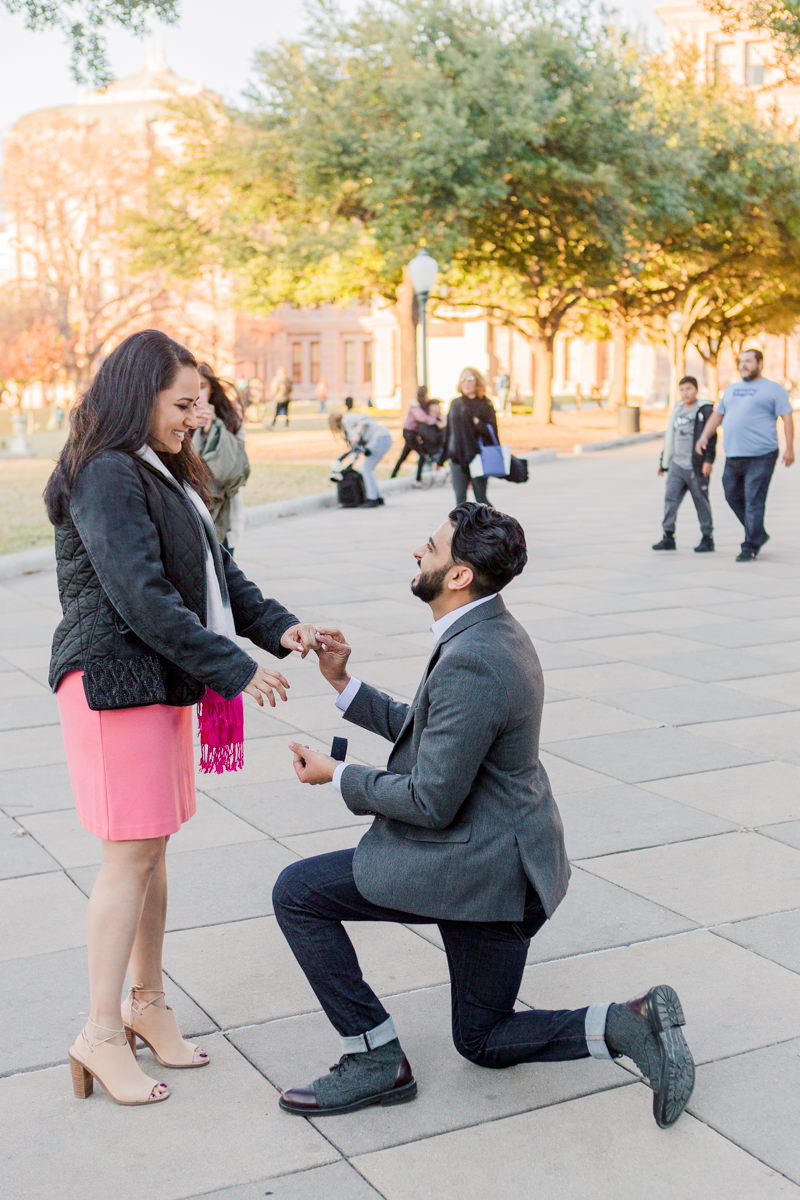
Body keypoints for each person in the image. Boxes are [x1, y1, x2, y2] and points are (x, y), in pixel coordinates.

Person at [273, 503, 695, 1129]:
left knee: (299, 892)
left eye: (430, 547)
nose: (418, 553)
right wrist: (344, 684)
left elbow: (429, 800)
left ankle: (373, 1058)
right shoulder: (486, 630)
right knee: (483, 1038)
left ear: (459, 575)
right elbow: (435, 730)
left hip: (480, 872)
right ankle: (631, 1022)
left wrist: (338, 776)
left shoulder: (475, 657)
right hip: (500, 861)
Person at [45, 329, 320, 1108]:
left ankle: (147, 1003)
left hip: (157, 679)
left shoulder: (161, 470)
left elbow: (220, 573)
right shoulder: (104, 473)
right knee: (127, 858)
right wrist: (236, 669)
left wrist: (281, 629)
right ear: (140, 395)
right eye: (183, 402)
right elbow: (140, 596)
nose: (199, 416)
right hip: (112, 680)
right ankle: (98, 1033)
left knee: (151, 854)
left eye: (201, 400)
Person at [696, 348, 794, 561]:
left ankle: (750, 544)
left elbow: (787, 418)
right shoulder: (731, 389)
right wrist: (704, 436)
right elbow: (717, 415)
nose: (743, 365)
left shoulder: (773, 389)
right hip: (733, 455)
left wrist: (789, 447)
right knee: (731, 494)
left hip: (762, 455)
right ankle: (757, 532)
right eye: (741, 362)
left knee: (753, 499)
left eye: (748, 361)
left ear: (760, 364)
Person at [652, 376, 716, 553]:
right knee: (670, 500)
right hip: (676, 465)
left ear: (696, 390)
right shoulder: (677, 410)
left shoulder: (704, 410)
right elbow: (669, 438)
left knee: (701, 502)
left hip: (696, 466)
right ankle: (668, 536)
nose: (685, 393)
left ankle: (707, 537)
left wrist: (708, 460)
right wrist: (664, 462)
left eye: (689, 389)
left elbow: (711, 437)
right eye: (682, 390)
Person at [193, 362, 250, 554]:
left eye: (201, 387)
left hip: (221, 521)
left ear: (211, 389)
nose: (196, 395)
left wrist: (212, 430)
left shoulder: (229, 419)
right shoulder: (170, 421)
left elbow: (234, 473)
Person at [444, 367, 499, 505]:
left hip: (478, 455)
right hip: (457, 456)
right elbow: (448, 431)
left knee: (481, 498)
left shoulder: (485, 404)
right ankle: (460, 527)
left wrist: (477, 423)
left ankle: (496, 525)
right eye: (463, 380)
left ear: (477, 382)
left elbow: (492, 432)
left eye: (470, 379)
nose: (466, 383)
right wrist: (441, 457)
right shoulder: (455, 403)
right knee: (460, 500)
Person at [330, 409, 393, 508]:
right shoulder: (347, 429)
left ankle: (373, 499)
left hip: (380, 437)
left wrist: (358, 434)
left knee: (366, 469)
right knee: (368, 469)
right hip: (380, 438)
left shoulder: (347, 419)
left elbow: (364, 419)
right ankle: (377, 497)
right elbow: (356, 448)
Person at [390, 386, 445, 483]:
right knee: (422, 455)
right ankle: (418, 480)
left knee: (404, 456)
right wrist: (436, 422)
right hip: (409, 433)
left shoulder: (420, 406)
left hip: (413, 434)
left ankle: (393, 476)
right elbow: (423, 418)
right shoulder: (415, 406)